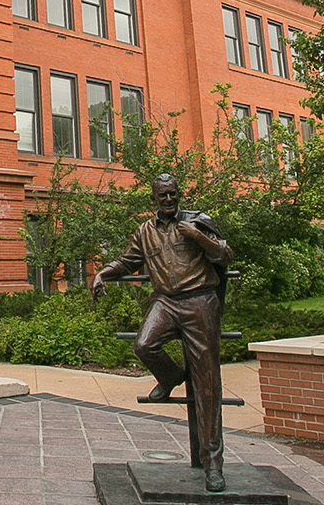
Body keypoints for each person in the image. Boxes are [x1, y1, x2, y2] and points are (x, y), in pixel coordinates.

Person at [92, 172, 233, 493]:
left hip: (200, 300)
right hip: (166, 302)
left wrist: (199, 236)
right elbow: (128, 261)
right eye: (162, 196)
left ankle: (213, 464)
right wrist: (103, 272)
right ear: (153, 200)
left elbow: (225, 255)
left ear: (178, 194)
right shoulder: (145, 231)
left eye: (172, 194)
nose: (168, 200)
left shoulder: (199, 221)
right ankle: (170, 377)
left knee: (207, 385)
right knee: (143, 346)